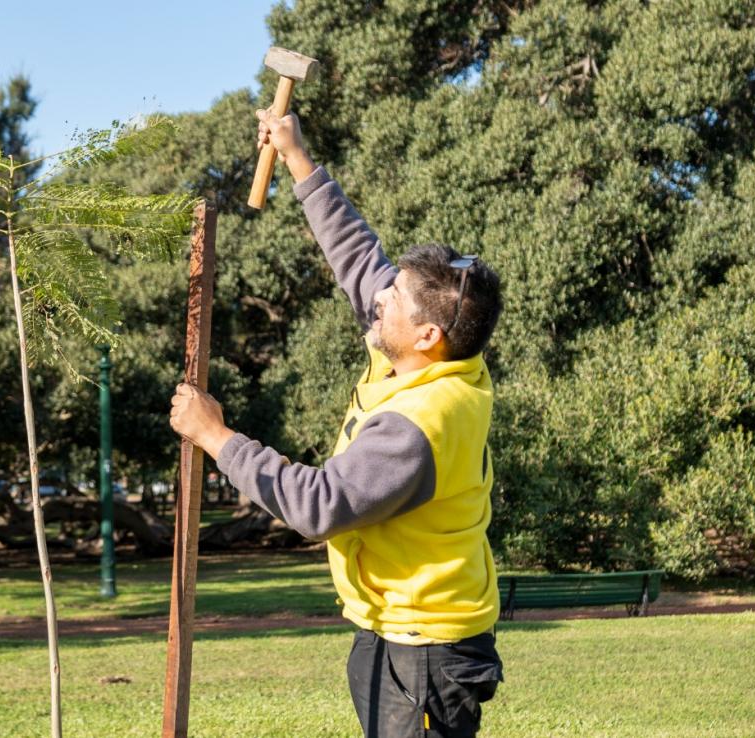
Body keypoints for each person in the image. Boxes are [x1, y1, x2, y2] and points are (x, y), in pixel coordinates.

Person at [168, 109, 505, 738]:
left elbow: (318, 506)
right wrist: (298, 157)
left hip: (427, 652)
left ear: (428, 334)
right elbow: (360, 262)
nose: (379, 298)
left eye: (394, 300)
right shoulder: (440, 357)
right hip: (396, 634)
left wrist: (216, 436)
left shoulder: (420, 424)